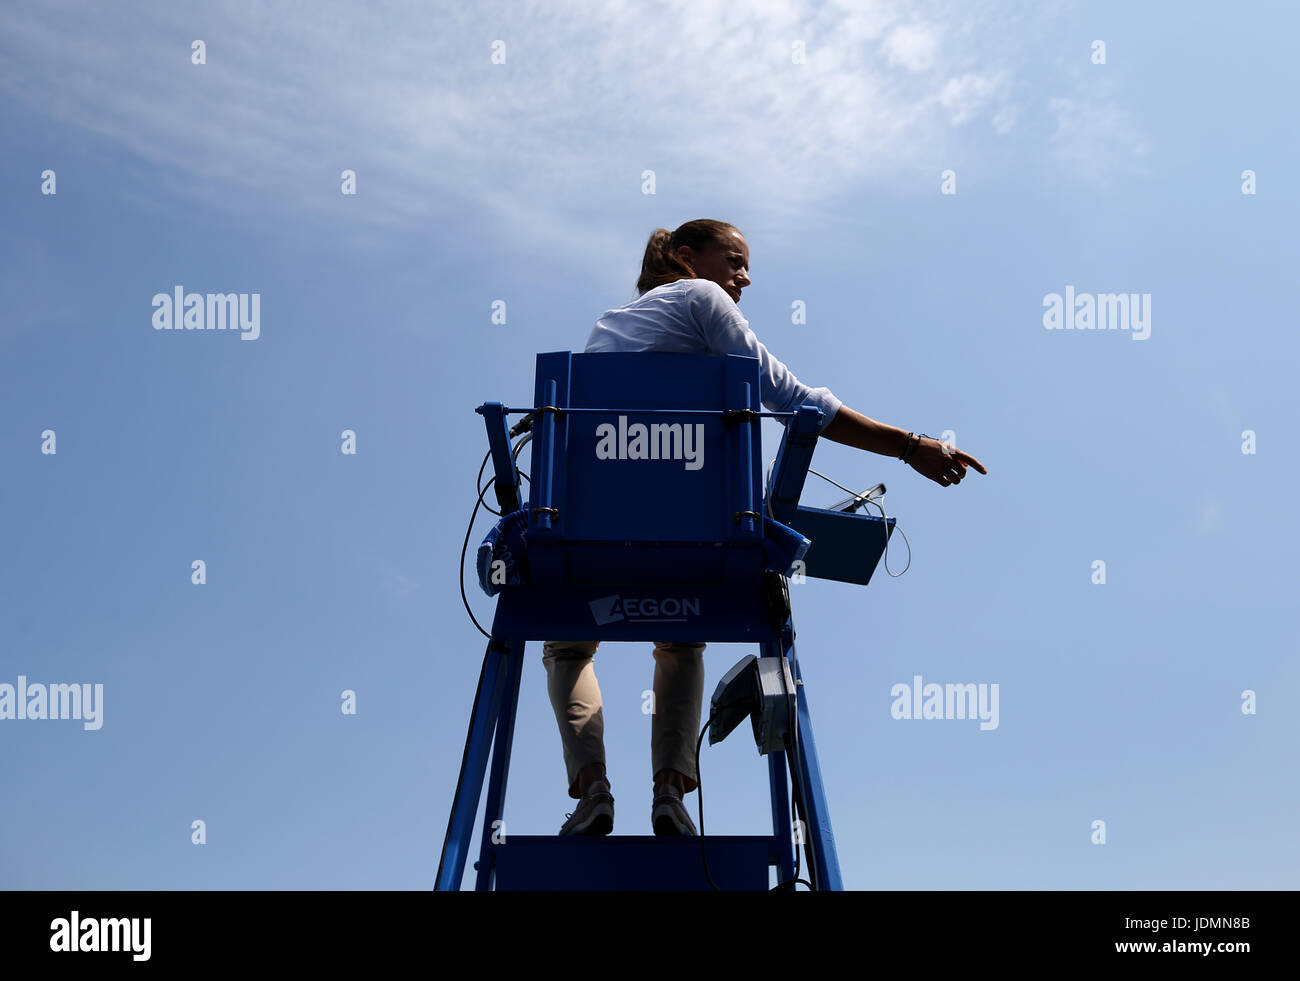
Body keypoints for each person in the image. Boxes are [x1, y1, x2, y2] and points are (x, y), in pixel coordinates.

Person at [545, 219, 987, 837]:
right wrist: (909, 447)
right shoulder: (704, 298)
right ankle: (670, 792)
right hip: (696, 529)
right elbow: (797, 401)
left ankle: (593, 791)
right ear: (684, 257)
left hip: (595, 526)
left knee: (567, 644)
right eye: (735, 259)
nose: (744, 277)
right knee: (683, 635)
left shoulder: (606, 326)